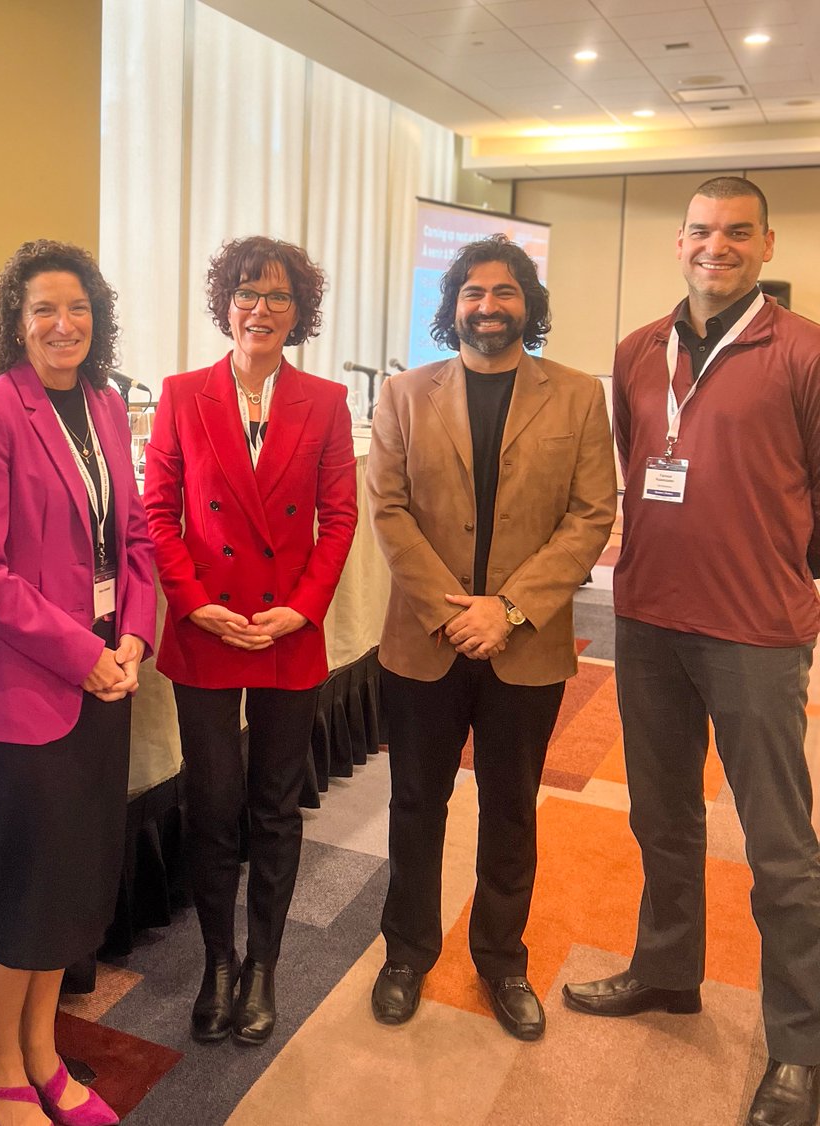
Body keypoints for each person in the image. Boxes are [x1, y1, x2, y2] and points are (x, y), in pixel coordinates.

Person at [562, 177, 820, 1126]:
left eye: (738, 233)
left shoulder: (803, 352)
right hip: (650, 622)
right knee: (662, 818)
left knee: (781, 847)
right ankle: (669, 971)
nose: (719, 246)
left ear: (766, 244)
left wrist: (785, 566)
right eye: (704, 231)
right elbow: (635, 467)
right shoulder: (637, 352)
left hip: (756, 630)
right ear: (680, 241)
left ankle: (800, 1044)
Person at [366, 235, 616, 1040]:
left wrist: (505, 610)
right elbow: (390, 510)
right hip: (424, 642)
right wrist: (452, 612)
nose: (488, 305)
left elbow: (591, 516)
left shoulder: (577, 396)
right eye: (473, 292)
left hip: (527, 647)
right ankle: (406, 951)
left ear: (527, 305)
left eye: (505, 292)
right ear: (454, 307)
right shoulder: (405, 394)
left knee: (511, 809)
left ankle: (501, 960)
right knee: (415, 803)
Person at [0, 240, 156, 1126]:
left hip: (109, 677)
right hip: (34, 688)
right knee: (30, 892)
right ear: (16, 324)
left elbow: (134, 540)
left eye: (76, 308)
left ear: (96, 319)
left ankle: (41, 1049)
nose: (62, 324)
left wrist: (136, 637)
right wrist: (86, 653)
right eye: (42, 311)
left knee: (71, 887)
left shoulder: (106, 406)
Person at [143, 235, 357, 1045]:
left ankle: (263, 963)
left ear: (298, 313)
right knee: (212, 804)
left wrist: (302, 608)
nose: (258, 309)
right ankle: (216, 960)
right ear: (223, 303)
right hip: (207, 628)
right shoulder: (181, 393)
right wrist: (192, 602)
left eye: (276, 297)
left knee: (273, 807)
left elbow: (339, 518)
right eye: (245, 293)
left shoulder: (327, 402)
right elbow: (158, 511)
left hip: (284, 630)